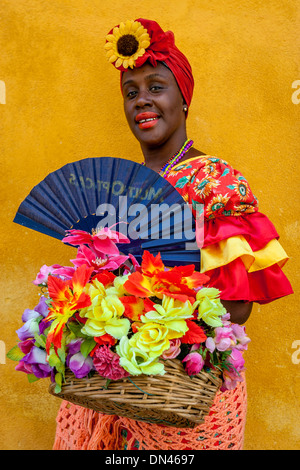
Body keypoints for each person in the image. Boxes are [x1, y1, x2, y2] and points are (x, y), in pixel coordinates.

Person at [52, 18, 293, 450]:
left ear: (184, 98)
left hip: (185, 396)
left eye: (156, 87)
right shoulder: (118, 192)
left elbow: (236, 310)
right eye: (131, 92)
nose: (142, 100)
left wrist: (150, 320)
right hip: (112, 397)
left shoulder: (213, 182)